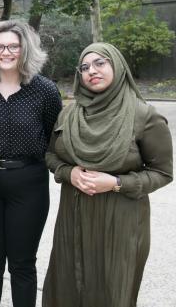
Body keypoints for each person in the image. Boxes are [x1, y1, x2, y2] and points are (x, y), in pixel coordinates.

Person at [42, 42, 173, 307]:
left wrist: (115, 182)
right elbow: (50, 155)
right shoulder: (70, 114)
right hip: (73, 217)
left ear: (117, 66)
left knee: (112, 291)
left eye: (100, 63)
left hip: (121, 221)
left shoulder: (144, 116)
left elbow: (162, 172)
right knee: (67, 287)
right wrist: (70, 173)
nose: (92, 71)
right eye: (85, 67)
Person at [0, 20, 62, 307]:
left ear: (25, 50)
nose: (6, 52)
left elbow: (54, 137)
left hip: (29, 184)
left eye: (13, 46)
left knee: (22, 263)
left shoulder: (45, 90)